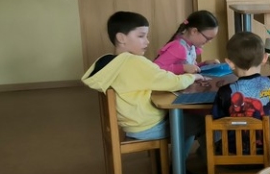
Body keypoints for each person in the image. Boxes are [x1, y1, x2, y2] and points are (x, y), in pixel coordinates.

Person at [82, 11, 204, 148]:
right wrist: (192, 77)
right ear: (121, 38)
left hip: (133, 125)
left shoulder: (113, 63)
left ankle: (176, 159)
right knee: (201, 121)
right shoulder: (135, 62)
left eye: (146, 36)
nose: (147, 41)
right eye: (141, 36)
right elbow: (171, 82)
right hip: (149, 126)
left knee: (186, 120)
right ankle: (181, 162)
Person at [211, 32, 270, 160]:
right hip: (269, 153)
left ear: (230, 63)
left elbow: (217, 121)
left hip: (231, 155)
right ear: (265, 58)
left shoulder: (224, 92)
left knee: (205, 150)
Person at [153, 9, 219, 75]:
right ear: (194, 31)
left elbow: (190, 67)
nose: (209, 42)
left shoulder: (191, 47)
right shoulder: (178, 47)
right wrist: (183, 68)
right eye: (207, 38)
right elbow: (155, 68)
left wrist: (205, 64)